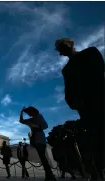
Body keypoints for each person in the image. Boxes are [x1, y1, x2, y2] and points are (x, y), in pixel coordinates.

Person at [55, 38, 105, 180]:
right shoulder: (66, 69)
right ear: (61, 53)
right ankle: (98, 170)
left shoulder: (90, 52)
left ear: (71, 43)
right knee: (94, 137)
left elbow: (100, 70)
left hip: (100, 97)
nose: (63, 48)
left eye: (64, 45)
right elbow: (68, 91)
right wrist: (73, 103)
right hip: (86, 106)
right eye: (60, 48)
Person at [19, 106, 56, 181]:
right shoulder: (31, 119)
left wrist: (35, 126)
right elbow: (21, 121)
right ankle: (49, 175)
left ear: (32, 112)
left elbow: (45, 126)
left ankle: (50, 175)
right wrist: (21, 112)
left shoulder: (39, 117)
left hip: (40, 139)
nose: (28, 114)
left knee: (43, 158)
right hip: (35, 140)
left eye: (28, 113)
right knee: (43, 158)